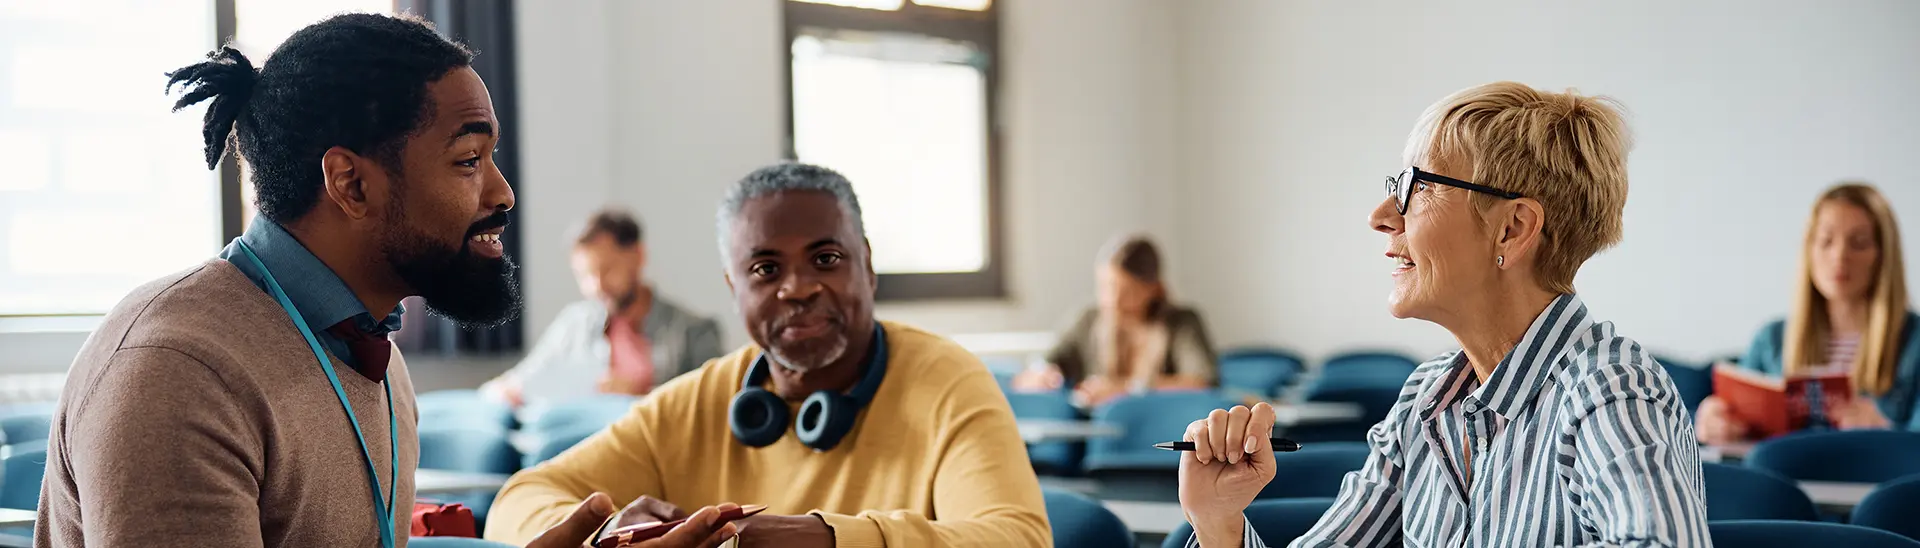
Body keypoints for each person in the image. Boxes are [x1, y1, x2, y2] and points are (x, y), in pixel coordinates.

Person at [36, 13, 736, 548]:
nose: (502, 193)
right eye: (468, 161)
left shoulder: (372, 351)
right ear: (350, 183)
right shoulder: (179, 371)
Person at [1176, 82, 1710, 547]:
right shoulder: (1426, 397)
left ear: (1513, 228)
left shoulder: (1611, 390)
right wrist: (1220, 525)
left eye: (1418, 187)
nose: (1381, 216)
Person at [484, 163, 1051, 547]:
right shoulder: (698, 400)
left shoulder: (948, 382)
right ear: (735, 289)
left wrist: (833, 538)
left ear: (868, 266)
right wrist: (605, 533)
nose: (797, 288)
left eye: (826, 259)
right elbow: (519, 498)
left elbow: (1018, 537)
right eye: (765, 269)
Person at [1698, 182, 1920, 442]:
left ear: (1883, 256)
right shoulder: (1771, 340)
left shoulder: (1914, 342)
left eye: (1858, 243)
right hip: (1783, 480)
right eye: (1826, 241)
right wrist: (1710, 424)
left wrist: (1886, 429)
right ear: (1809, 250)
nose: (1839, 256)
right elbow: (1737, 431)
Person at [481, 207, 723, 408]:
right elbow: (518, 381)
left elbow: (713, 406)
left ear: (638, 256)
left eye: (607, 270)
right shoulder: (574, 324)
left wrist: (643, 395)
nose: (597, 286)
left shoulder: (695, 332)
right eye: (584, 276)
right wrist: (502, 393)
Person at [1013, 234, 1219, 407]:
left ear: (1153, 288)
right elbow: (1045, 360)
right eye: (1105, 288)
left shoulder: (1181, 323)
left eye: (1127, 291)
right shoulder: (1087, 319)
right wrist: (1042, 372)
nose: (1113, 301)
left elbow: (1201, 382)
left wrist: (1126, 388)